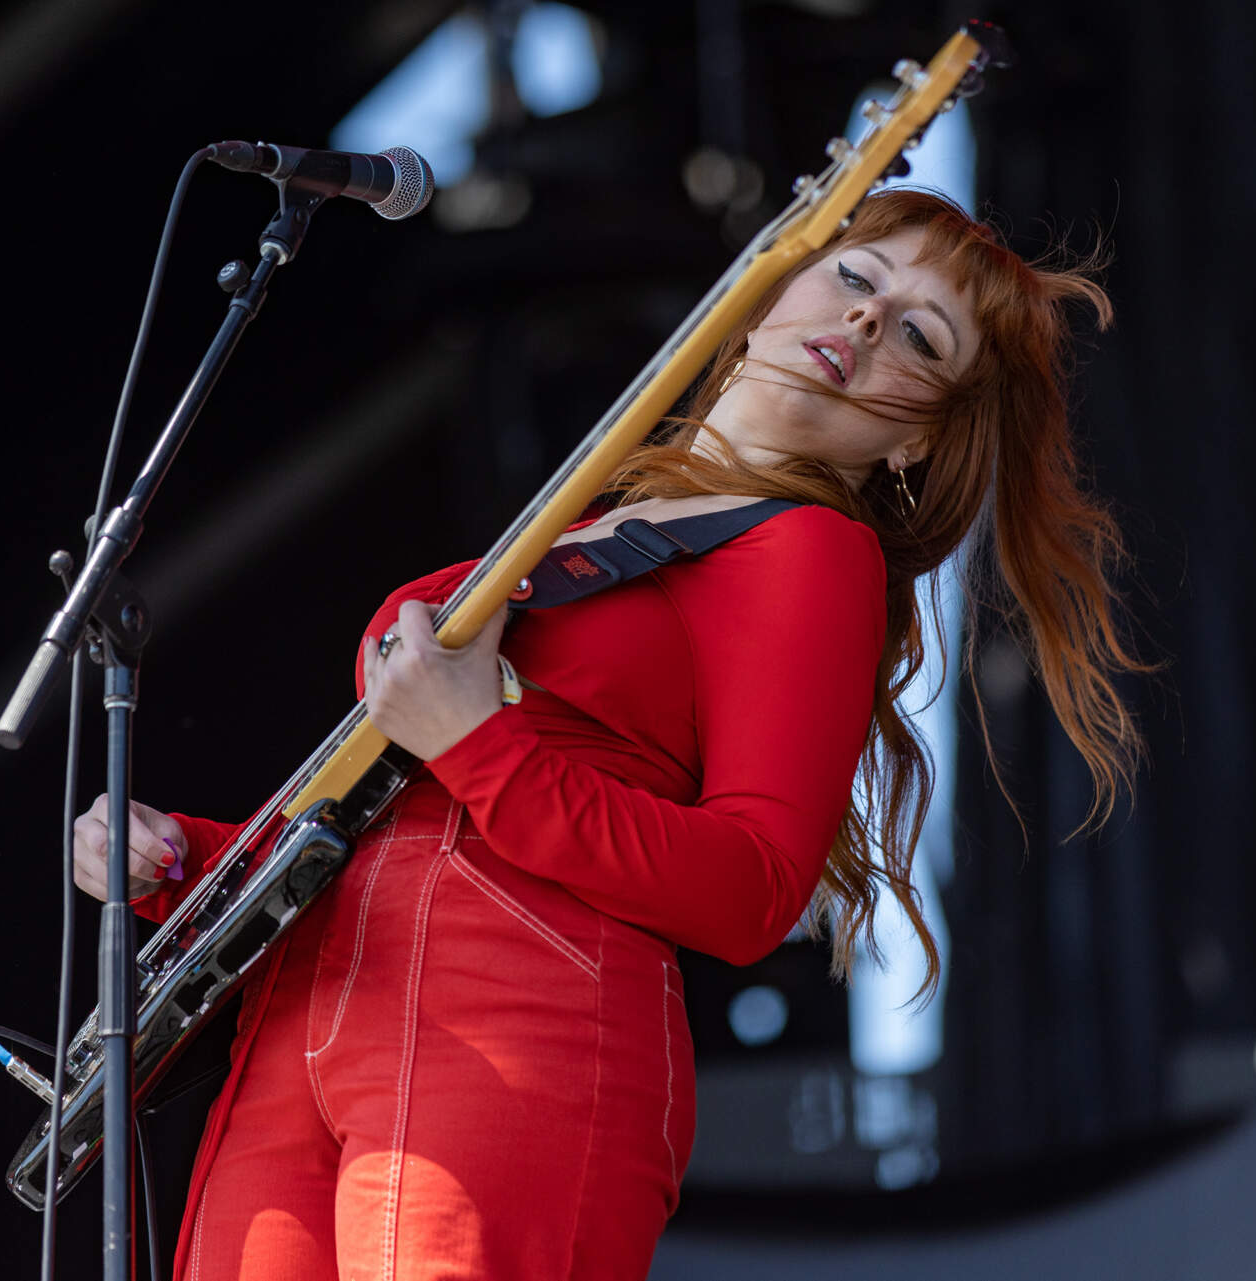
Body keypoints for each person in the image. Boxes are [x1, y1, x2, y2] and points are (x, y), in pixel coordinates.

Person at [72, 189, 1145, 1280]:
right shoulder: (600, 529)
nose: (867, 320)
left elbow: (753, 886)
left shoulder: (814, 551)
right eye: (857, 277)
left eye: (920, 333)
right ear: (776, 287)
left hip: (511, 1026)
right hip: (312, 1004)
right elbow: (406, 813)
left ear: (920, 439)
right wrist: (189, 861)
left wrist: (479, 737)